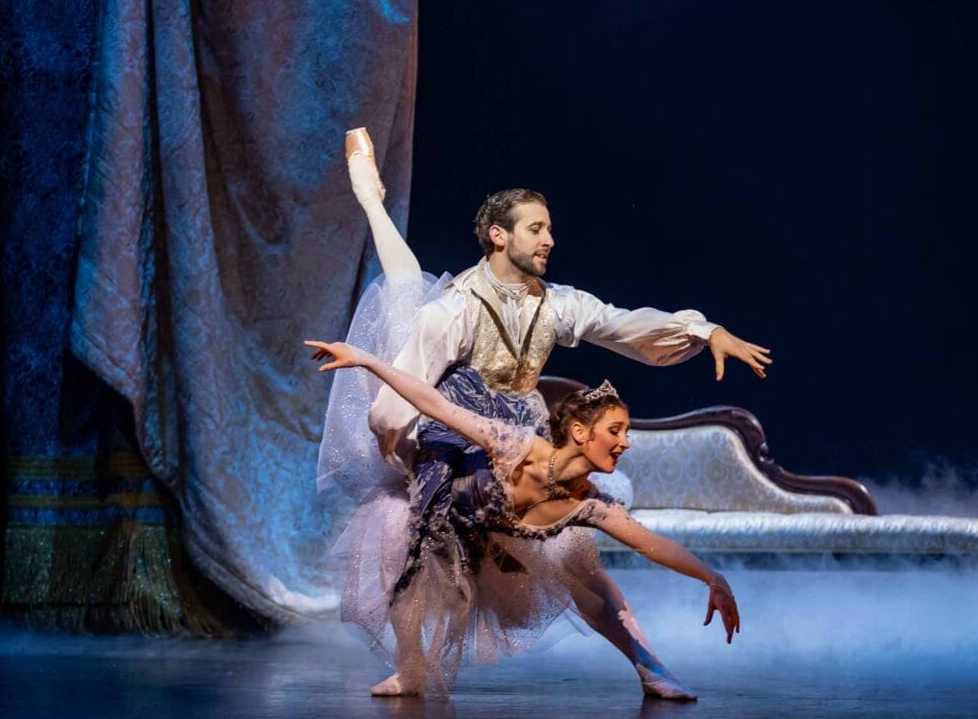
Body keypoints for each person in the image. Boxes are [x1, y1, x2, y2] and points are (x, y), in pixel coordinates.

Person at [314, 129, 765, 698]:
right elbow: (406, 401)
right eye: (537, 228)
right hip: (447, 427)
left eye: (550, 227)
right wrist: (406, 459)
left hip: (508, 438)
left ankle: (651, 666)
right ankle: (369, 193)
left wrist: (704, 331)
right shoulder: (453, 311)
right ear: (498, 236)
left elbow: (623, 324)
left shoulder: (558, 305)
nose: (550, 238)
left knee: (575, 558)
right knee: (406, 294)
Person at [306, 337, 740, 699]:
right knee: (395, 531)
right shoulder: (517, 446)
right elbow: (435, 405)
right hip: (439, 510)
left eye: (626, 432)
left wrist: (712, 577)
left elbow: (650, 543)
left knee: (585, 571)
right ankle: (411, 669)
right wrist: (365, 360)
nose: (625, 442)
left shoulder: (589, 503)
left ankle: (652, 669)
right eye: (616, 431)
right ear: (580, 433)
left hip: (491, 545)